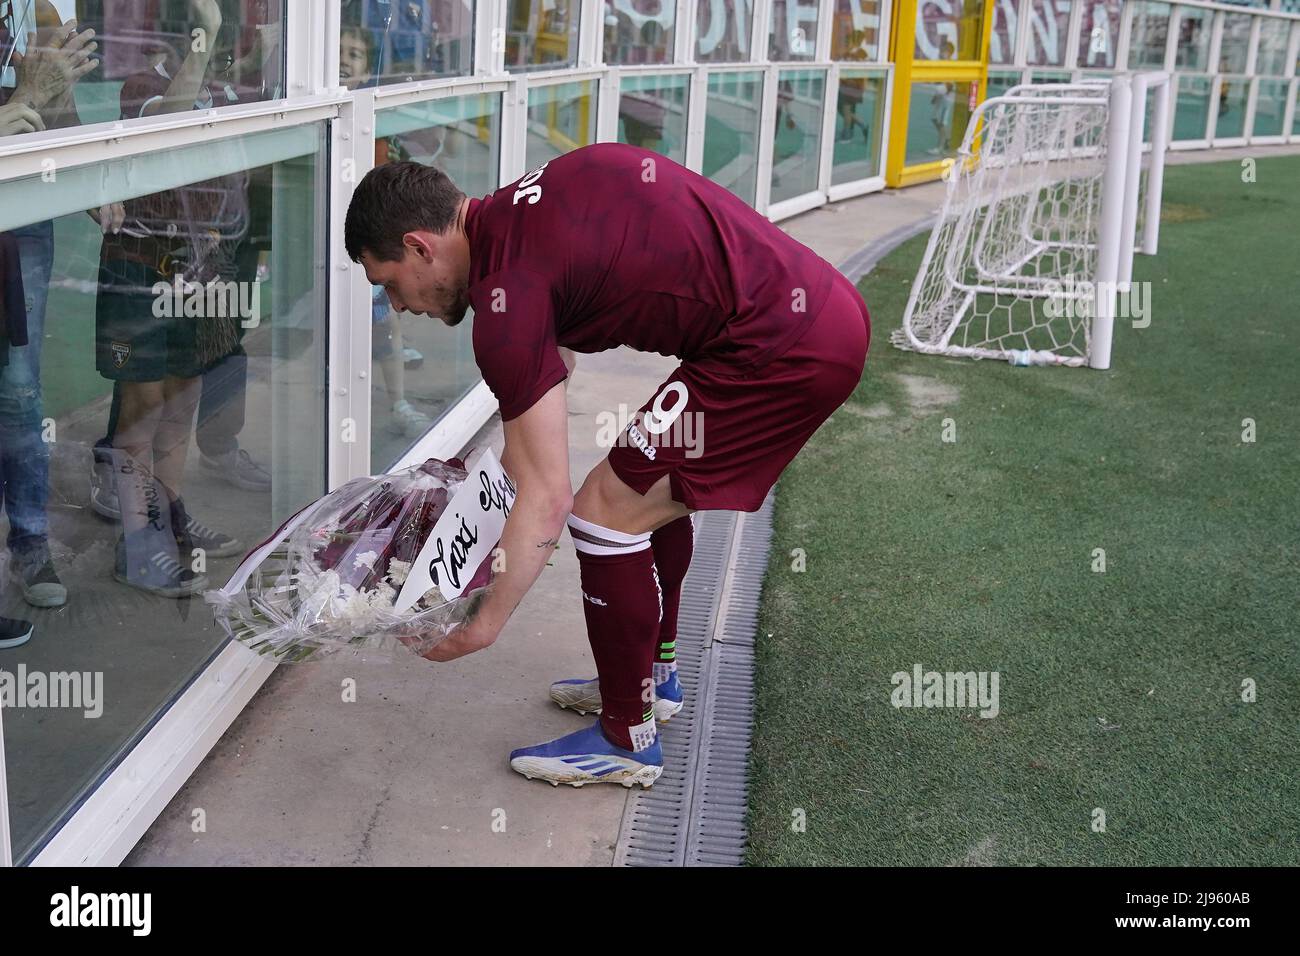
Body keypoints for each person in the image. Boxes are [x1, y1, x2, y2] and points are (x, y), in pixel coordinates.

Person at [344, 143, 870, 788]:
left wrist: (483, 623)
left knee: (604, 512)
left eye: (390, 284)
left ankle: (627, 736)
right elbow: (537, 411)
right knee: (644, 482)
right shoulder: (525, 210)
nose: (399, 306)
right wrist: (477, 502)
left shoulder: (507, 302)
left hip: (780, 348)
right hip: (809, 313)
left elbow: (546, 494)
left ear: (421, 246)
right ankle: (655, 674)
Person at [0, 3, 99, 614]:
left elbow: (54, 111)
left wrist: (92, 184)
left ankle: (31, 541)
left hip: (22, 215)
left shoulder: (39, 6)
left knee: (19, 386)